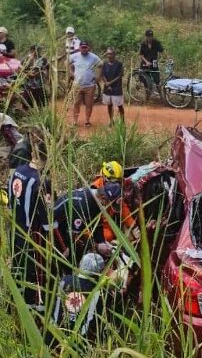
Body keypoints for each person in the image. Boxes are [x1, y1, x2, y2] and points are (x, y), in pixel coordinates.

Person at [7, 133, 64, 313]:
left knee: (17, 267)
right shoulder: (42, 181)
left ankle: (13, 304)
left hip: (14, 230)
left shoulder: (18, 171)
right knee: (35, 274)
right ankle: (34, 312)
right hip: (33, 237)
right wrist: (60, 246)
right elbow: (47, 220)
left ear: (32, 153)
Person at [52, 182, 122, 266]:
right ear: (103, 198)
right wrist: (96, 246)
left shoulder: (97, 200)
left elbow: (97, 223)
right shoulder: (82, 206)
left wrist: (102, 242)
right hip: (55, 229)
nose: (108, 208)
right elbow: (75, 237)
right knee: (70, 254)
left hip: (70, 227)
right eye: (109, 205)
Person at [90, 161, 138, 243]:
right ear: (105, 177)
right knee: (108, 236)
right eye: (115, 181)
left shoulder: (117, 187)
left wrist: (133, 226)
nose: (117, 185)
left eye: (119, 181)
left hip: (111, 221)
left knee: (130, 235)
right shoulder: (95, 189)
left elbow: (122, 207)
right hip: (100, 224)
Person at [69, 41, 103, 127]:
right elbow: (67, 63)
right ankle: (75, 121)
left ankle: (87, 121)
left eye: (85, 47)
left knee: (89, 104)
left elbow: (100, 65)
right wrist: (71, 73)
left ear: (88, 48)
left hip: (90, 86)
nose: (84, 49)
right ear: (79, 48)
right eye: (82, 47)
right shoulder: (74, 56)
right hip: (77, 85)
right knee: (76, 104)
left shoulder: (93, 57)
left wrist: (98, 77)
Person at [101, 47, 125, 125]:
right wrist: (106, 83)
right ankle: (111, 120)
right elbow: (103, 74)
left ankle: (122, 121)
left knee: (119, 105)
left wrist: (110, 83)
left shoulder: (119, 64)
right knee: (109, 105)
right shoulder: (104, 64)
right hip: (107, 87)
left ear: (114, 54)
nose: (109, 55)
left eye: (111, 54)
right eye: (108, 53)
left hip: (116, 87)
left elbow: (119, 76)